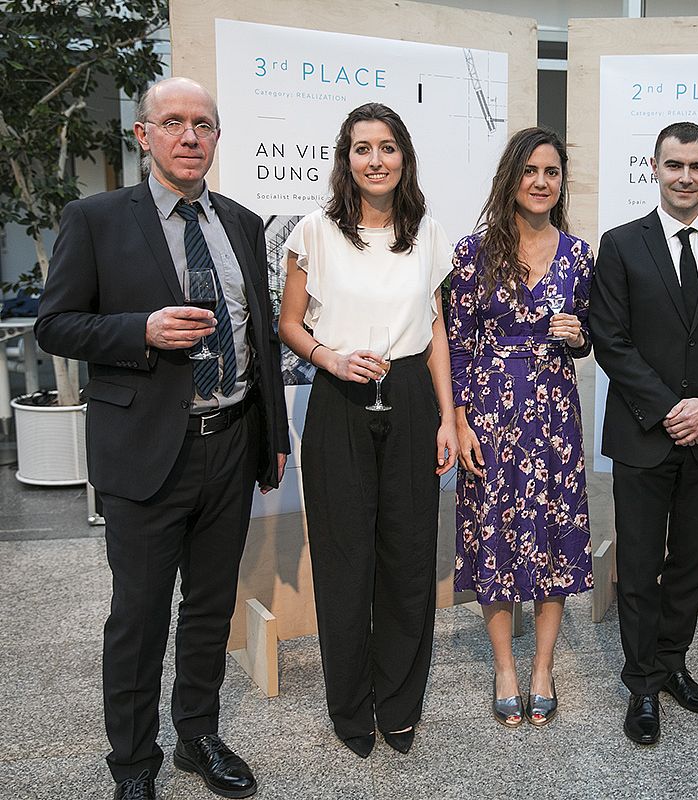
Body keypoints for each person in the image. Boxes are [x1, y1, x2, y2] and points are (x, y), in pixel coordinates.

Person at [36, 77, 289, 800]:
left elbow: (259, 338)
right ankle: (133, 764)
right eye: (173, 122)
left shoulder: (241, 223)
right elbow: (56, 324)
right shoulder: (95, 219)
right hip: (146, 449)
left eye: (202, 124)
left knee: (210, 608)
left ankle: (197, 736)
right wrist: (139, 330)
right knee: (139, 617)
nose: (189, 136)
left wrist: (272, 434)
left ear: (217, 137)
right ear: (143, 135)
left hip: (230, 442)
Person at [278, 102, 457, 759]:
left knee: (408, 559)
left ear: (403, 156)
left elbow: (436, 332)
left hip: (409, 397)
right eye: (362, 148)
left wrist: (447, 417)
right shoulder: (315, 232)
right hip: (339, 398)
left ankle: (400, 704)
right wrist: (328, 357)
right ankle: (350, 707)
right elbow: (289, 323)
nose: (375, 160)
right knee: (344, 560)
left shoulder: (427, 233)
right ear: (345, 159)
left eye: (387, 147)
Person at [590, 121, 698, 745]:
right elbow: (610, 338)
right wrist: (670, 408)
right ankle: (641, 683)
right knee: (639, 565)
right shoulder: (620, 245)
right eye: (674, 165)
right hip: (644, 433)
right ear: (654, 169)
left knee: (691, 563)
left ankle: (672, 664)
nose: (685, 177)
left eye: (697, 166)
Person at [448, 126, 593, 728]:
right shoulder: (473, 252)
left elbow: (590, 337)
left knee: (554, 535)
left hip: (555, 415)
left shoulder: (579, 255)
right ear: (511, 178)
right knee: (497, 537)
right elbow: (456, 343)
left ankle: (542, 668)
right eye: (530, 170)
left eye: (551, 172)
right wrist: (460, 421)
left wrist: (579, 337)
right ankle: (505, 667)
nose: (540, 181)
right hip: (490, 414)